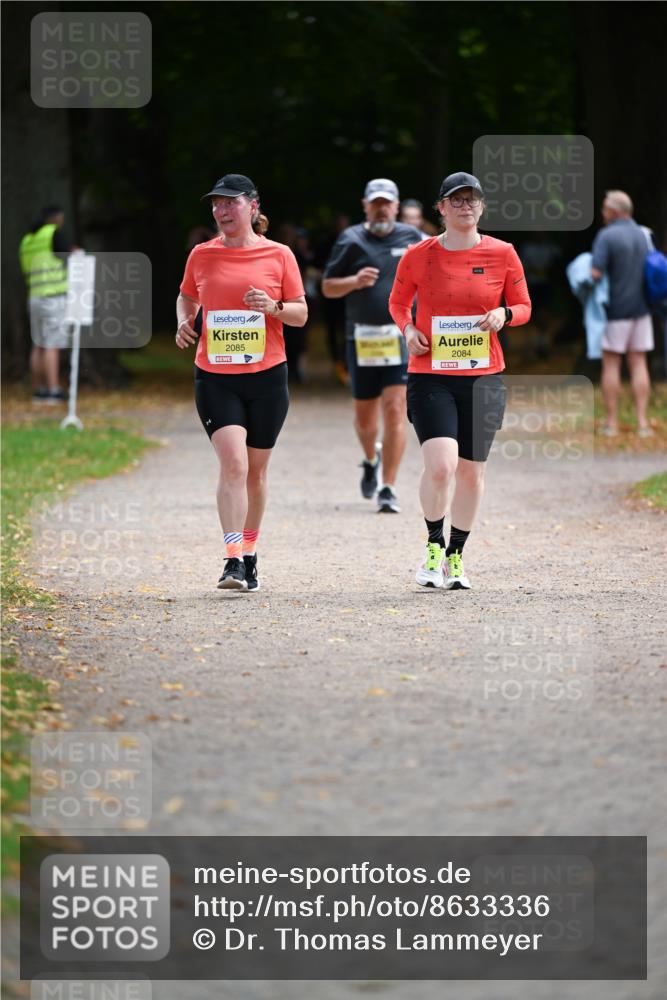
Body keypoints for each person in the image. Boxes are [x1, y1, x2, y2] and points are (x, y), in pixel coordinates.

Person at [388, 171, 531, 590]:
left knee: (471, 472)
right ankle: (433, 546)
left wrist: (504, 315)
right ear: (442, 208)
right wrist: (409, 330)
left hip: (484, 377)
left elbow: (523, 306)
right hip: (430, 374)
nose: (465, 205)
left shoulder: (503, 253)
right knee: (441, 466)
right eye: (457, 199)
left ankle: (456, 554)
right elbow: (397, 302)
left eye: (472, 199)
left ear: (482, 207)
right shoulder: (418, 254)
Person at [176, 174, 307, 591]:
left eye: (230, 203)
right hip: (216, 376)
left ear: (253, 206)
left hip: (268, 375)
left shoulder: (280, 254)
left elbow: (301, 313)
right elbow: (187, 295)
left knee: (256, 472)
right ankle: (232, 559)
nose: (221, 211)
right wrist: (184, 320)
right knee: (233, 463)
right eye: (216, 204)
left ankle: (250, 552)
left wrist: (273, 306)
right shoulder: (201, 254)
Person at [322, 179, 422, 512]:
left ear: (396, 207)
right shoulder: (350, 239)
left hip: (399, 336)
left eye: (387, 203)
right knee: (365, 419)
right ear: (365, 205)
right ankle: (370, 458)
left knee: (395, 409)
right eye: (375, 203)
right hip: (362, 338)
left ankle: (388, 487)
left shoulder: (412, 238)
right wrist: (353, 281)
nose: (381, 208)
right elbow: (327, 287)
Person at [591, 190, 654, 437]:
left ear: (615, 212)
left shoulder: (606, 236)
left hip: (616, 311)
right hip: (642, 310)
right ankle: (642, 423)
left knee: (611, 363)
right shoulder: (644, 234)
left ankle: (612, 423)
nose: (602, 213)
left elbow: (596, 273)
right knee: (639, 363)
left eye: (605, 209)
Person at [19, 205, 76, 404]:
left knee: (38, 344)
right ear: (56, 218)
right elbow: (69, 256)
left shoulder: (28, 240)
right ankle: (53, 390)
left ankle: (39, 390)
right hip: (53, 296)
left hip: (34, 296)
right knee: (53, 344)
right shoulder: (53, 234)